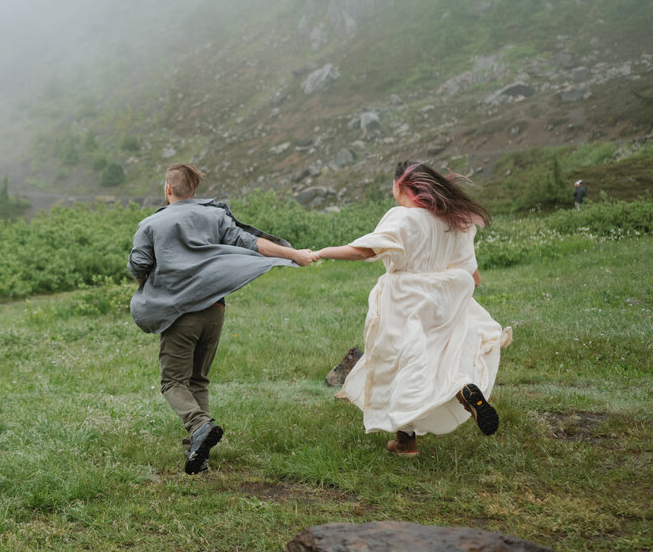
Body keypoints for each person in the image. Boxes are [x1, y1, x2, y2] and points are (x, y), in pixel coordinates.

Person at [310, 161, 511, 457]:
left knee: (401, 366)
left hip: (404, 300)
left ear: (400, 186)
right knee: (440, 358)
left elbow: (366, 250)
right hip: (444, 299)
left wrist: (320, 252)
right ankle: (459, 388)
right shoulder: (456, 222)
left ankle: (407, 439)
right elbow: (474, 277)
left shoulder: (403, 218)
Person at [128, 163, 313, 474]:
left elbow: (138, 267)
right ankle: (198, 454)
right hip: (215, 310)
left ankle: (199, 426)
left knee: (173, 381)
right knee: (198, 379)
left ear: (168, 190)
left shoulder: (151, 224)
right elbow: (251, 242)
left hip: (180, 313)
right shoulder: (215, 216)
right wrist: (293, 254)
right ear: (194, 192)